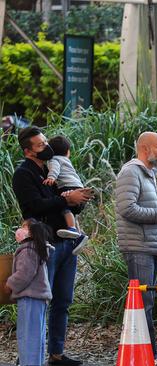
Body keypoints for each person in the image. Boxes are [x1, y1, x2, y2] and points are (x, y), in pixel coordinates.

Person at [12, 126, 92, 366]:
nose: (46, 147)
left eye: (46, 142)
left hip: (67, 243)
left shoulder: (52, 168)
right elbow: (34, 206)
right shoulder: (23, 174)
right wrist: (65, 199)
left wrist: (78, 199)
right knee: (39, 302)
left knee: (63, 301)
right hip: (44, 245)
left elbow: (68, 203)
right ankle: (28, 355)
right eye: (40, 145)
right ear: (28, 152)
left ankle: (56, 353)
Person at [115, 131, 157, 366]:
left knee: (147, 301)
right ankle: (148, 356)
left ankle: (147, 354)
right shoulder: (131, 172)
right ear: (146, 148)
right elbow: (127, 209)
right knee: (143, 302)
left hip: (149, 245)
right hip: (138, 246)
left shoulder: (148, 174)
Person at [5, 219, 53, 366]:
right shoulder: (37, 248)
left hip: (30, 297)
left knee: (28, 337)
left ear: (30, 231)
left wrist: (9, 284)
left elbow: (24, 273)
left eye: (23, 226)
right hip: (38, 298)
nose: (20, 229)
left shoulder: (27, 249)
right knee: (36, 336)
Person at [43, 135, 88, 254]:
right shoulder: (67, 160)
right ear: (68, 152)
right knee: (71, 210)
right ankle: (78, 235)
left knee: (63, 205)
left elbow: (55, 169)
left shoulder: (53, 159)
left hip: (68, 187)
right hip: (78, 187)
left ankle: (73, 230)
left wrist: (51, 177)